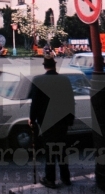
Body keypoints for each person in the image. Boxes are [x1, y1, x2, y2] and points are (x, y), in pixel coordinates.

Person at [29, 55, 75, 189]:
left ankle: (50, 179)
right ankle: (66, 177)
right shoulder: (64, 80)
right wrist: (70, 119)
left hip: (46, 121)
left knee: (50, 150)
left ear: (44, 66)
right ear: (55, 66)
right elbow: (70, 101)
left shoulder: (38, 80)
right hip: (62, 120)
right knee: (62, 149)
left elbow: (35, 103)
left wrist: (32, 118)